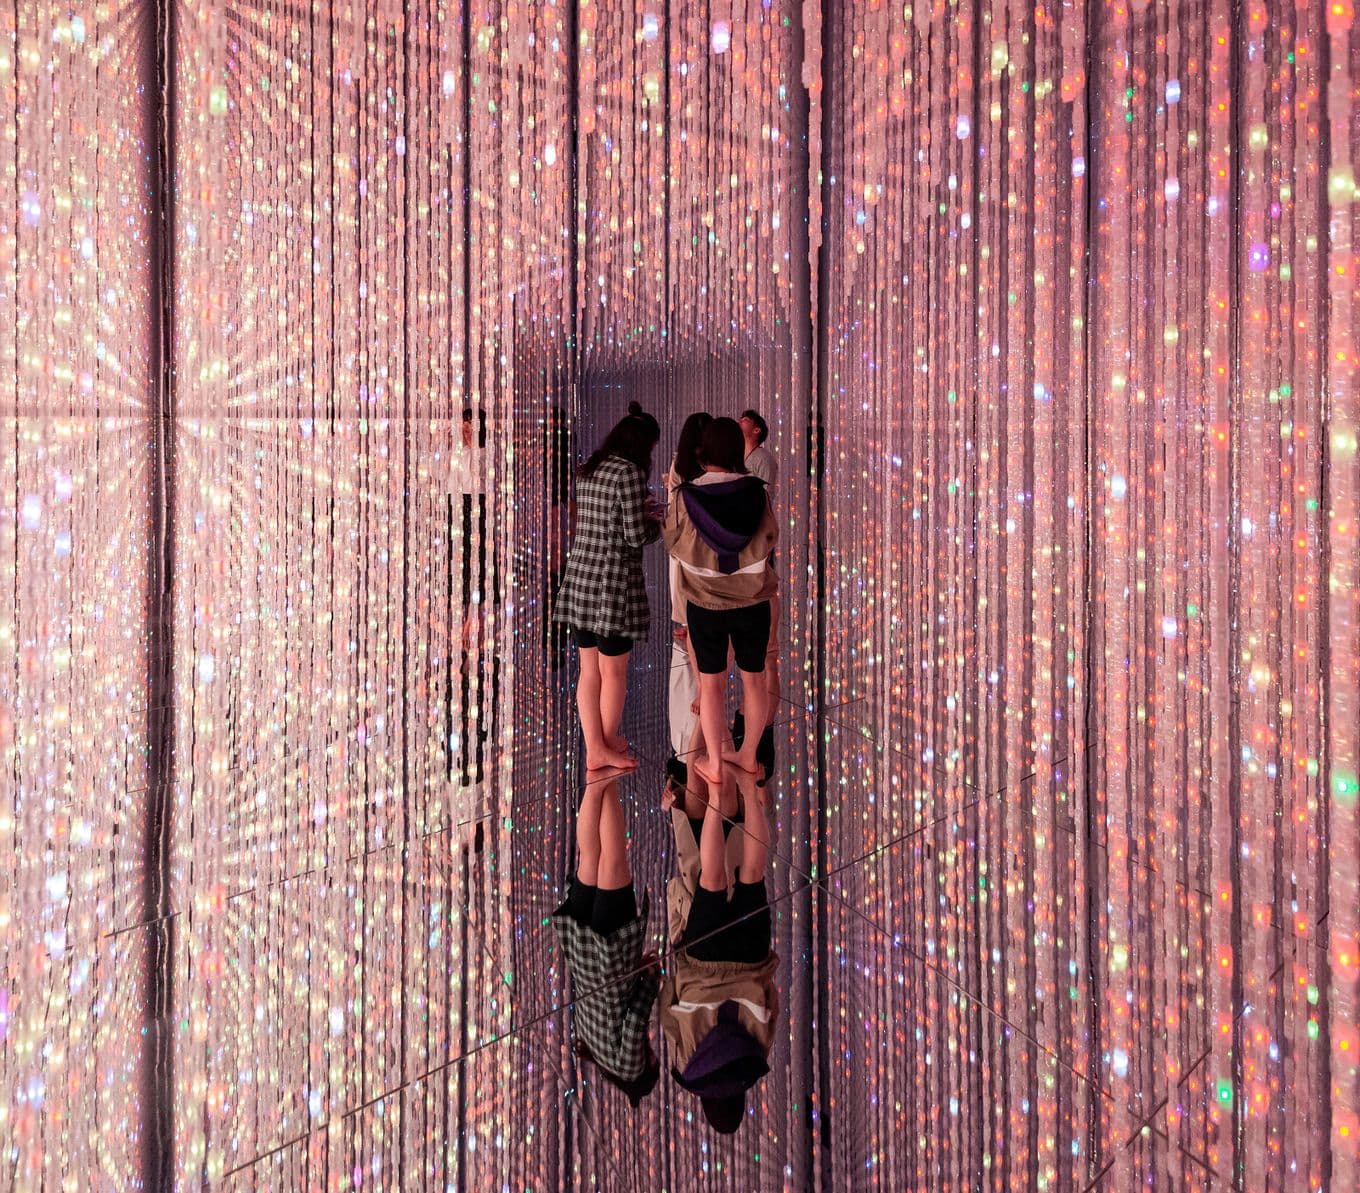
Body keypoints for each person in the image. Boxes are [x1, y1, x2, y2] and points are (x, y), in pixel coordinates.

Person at [659, 744, 778, 1135]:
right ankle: (712, 793)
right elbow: (668, 1005)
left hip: (750, 955)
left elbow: (772, 1002)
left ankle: (745, 782)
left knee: (752, 870)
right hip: (704, 958)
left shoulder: (756, 1057)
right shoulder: (686, 1065)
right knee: (711, 875)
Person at [664, 417, 777, 784]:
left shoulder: (687, 496)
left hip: (705, 602)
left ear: (703, 452)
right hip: (753, 601)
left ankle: (713, 762)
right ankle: (747, 756)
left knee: (711, 688)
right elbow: (771, 537)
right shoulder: (757, 491)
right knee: (754, 681)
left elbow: (673, 542)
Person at [552, 401, 663, 770]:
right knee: (614, 671)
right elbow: (633, 535)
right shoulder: (628, 473)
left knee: (589, 669)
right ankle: (607, 741)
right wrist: (657, 523)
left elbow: (600, 520)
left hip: (581, 575)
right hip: (612, 581)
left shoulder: (588, 469)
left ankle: (594, 744)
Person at [552, 768, 661, 1106]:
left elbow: (633, 1018)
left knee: (613, 858)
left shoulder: (631, 1067)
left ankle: (605, 771)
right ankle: (598, 775)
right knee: (591, 856)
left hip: (611, 952)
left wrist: (651, 980)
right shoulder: (593, 1049)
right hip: (581, 947)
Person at [664, 412, 713, 778]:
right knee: (693, 630)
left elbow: (673, 515)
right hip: (696, 557)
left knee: (687, 631)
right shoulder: (699, 470)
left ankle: (690, 732)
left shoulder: (680, 468)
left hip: (681, 555)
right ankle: (699, 723)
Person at [738, 409, 777, 490]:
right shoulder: (736, 454)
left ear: (756, 430)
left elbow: (766, 492)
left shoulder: (764, 458)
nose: (740, 421)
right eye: (741, 419)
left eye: (746, 419)